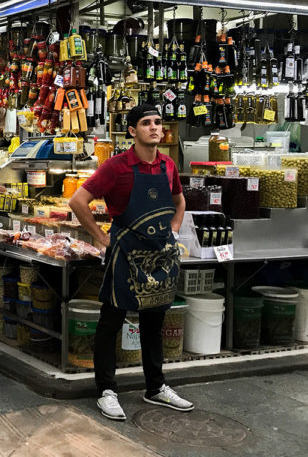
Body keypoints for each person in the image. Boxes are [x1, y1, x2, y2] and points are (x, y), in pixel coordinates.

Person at [68, 104, 191, 421]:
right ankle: (107, 391)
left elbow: (180, 201)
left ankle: (156, 387)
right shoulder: (115, 166)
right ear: (132, 131)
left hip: (159, 255)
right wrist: (100, 236)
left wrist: (174, 231)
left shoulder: (167, 166)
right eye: (146, 123)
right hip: (125, 254)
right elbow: (78, 201)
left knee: (154, 322)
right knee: (111, 322)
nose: (155, 127)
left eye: (158, 122)